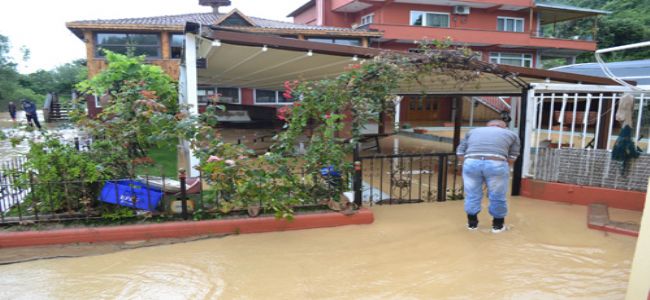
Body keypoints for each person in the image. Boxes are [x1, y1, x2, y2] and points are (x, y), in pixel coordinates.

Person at [456, 120, 520, 233]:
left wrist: (468, 164)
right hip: (497, 163)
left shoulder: (472, 131)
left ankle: (472, 225)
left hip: (471, 162)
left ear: (487, 126)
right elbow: (513, 156)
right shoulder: (512, 134)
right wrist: (501, 168)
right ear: (504, 127)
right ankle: (498, 226)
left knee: (472, 194)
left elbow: (460, 152)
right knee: (497, 195)